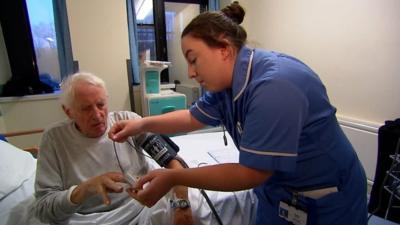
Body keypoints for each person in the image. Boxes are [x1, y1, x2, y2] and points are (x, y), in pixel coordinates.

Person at [108, 2, 368, 225]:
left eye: (193, 59)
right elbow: (191, 118)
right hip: (276, 194)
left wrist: (174, 177)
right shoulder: (227, 86)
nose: (190, 73)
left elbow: (250, 173)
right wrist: (140, 125)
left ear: (224, 49)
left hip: (325, 200)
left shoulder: (275, 86)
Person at [33, 72, 194, 225]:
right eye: (86, 108)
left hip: (141, 208)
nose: (97, 115)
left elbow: (173, 163)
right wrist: (85, 189)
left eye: (101, 104)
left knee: (196, 202)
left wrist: (182, 203)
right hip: (88, 219)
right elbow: (43, 207)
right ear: (68, 112)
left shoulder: (127, 121)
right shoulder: (54, 139)